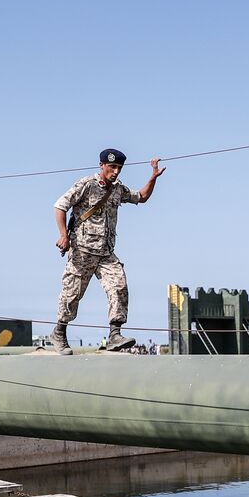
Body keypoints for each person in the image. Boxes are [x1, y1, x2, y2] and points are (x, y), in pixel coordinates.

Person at [51, 149, 165, 356]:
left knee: (119, 286)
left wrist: (153, 177)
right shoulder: (86, 185)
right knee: (72, 294)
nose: (116, 171)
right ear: (101, 165)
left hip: (105, 253)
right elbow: (60, 206)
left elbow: (141, 197)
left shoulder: (118, 189)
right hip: (82, 251)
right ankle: (59, 332)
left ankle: (115, 334)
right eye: (112, 167)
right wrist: (63, 235)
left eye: (119, 168)